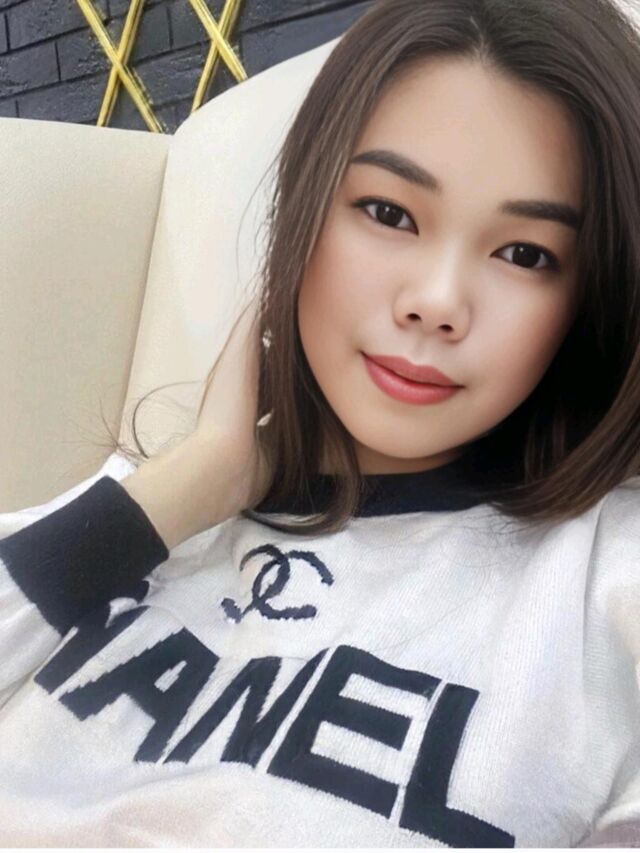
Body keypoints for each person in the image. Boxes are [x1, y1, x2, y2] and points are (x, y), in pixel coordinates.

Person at [2, 0, 640, 846]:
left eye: (525, 253)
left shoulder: (605, 581)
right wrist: (196, 481)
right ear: (304, 212)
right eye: (389, 212)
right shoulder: (150, 498)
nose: (437, 302)